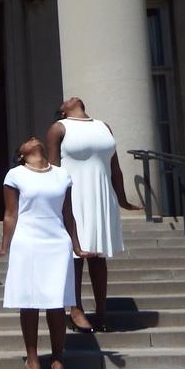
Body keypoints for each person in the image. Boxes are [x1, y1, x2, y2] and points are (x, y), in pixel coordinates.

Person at [0, 137, 95, 369]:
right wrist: (4, 246)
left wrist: (77, 246)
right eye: (26, 141)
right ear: (21, 154)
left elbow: (68, 213)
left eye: (35, 138)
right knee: (30, 301)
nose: (33, 139)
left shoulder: (62, 174)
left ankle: (57, 357)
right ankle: (32, 358)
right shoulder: (15, 175)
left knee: (57, 303)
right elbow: (10, 213)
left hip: (56, 240)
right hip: (28, 239)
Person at [46, 97, 141, 332]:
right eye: (64, 101)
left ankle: (101, 312)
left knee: (98, 257)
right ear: (63, 111)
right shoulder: (59, 128)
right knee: (76, 256)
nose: (69, 98)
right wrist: (53, 203)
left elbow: (114, 166)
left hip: (101, 195)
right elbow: (53, 168)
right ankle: (75, 309)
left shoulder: (103, 126)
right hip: (73, 196)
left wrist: (122, 199)